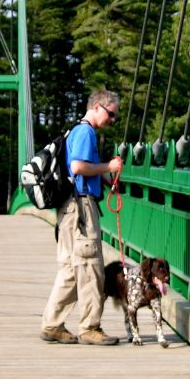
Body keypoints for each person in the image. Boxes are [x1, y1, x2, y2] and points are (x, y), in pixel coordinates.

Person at [40, 89, 124, 345]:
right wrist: (108, 167)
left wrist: (105, 177)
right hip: (81, 208)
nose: (112, 120)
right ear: (98, 107)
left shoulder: (75, 130)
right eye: (111, 115)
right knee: (89, 268)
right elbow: (77, 167)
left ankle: (52, 324)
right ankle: (90, 327)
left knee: (70, 270)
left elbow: (77, 168)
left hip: (68, 209)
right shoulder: (86, 132)